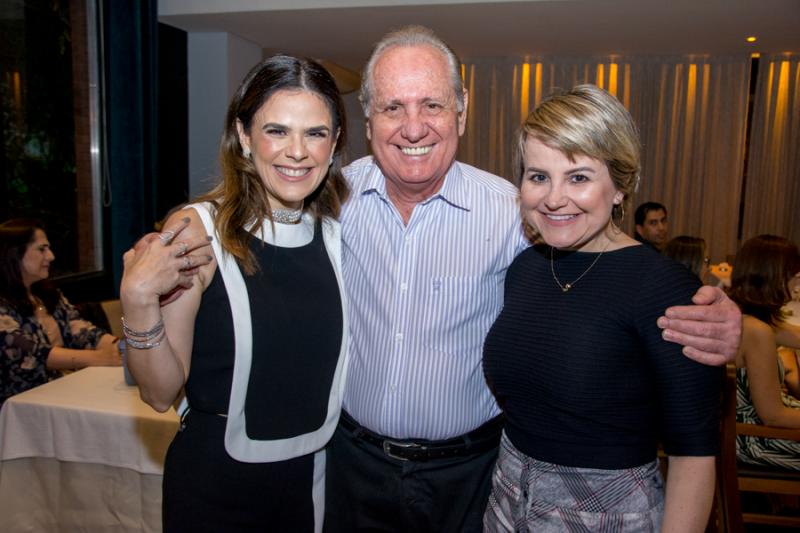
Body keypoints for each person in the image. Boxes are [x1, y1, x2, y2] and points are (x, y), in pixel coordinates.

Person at [145, 26, 740, 533]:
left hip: (473, 476)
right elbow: (254, 213)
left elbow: (599, 266)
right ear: (368, 117)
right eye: (393, 108)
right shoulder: (331, 200)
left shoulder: (516, 212)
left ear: (462, 109)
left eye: (431, 105)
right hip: (351, 464)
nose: (414, 127)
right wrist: (184, 231)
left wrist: (722, 315)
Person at [119, 55, 350, 532]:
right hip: (215, 488)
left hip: (311, 480)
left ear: (333, 144)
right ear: (244, 136)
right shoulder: (196, 229)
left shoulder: (334, 234)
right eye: (277, 131)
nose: (297, 152)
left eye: (315, 133)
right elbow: (160, 394)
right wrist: (138, 301)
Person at [482, 85, 722, 531]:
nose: (554, 198)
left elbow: (693, 455)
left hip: (607, 513)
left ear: (620, 187)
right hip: (506, 502)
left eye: (578, 178)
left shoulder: (664, 287)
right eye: (538, 176)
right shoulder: (525, 269)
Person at [0, 218, 121, 406]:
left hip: (61, 393)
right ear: (14, 254)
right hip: (19, 406)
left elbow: (81, 330)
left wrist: (120, 346)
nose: (51, 256)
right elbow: (32, 353)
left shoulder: (47, 294)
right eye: (42, 249)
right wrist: (99, 358)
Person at [729, 235, 800, 470]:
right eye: (794, 276)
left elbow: (795, 335)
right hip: (753, 439)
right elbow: (773, 415)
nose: (796, 285)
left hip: (748, 430)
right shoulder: (756, 331)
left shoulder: (745, 316)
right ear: (775, 277)